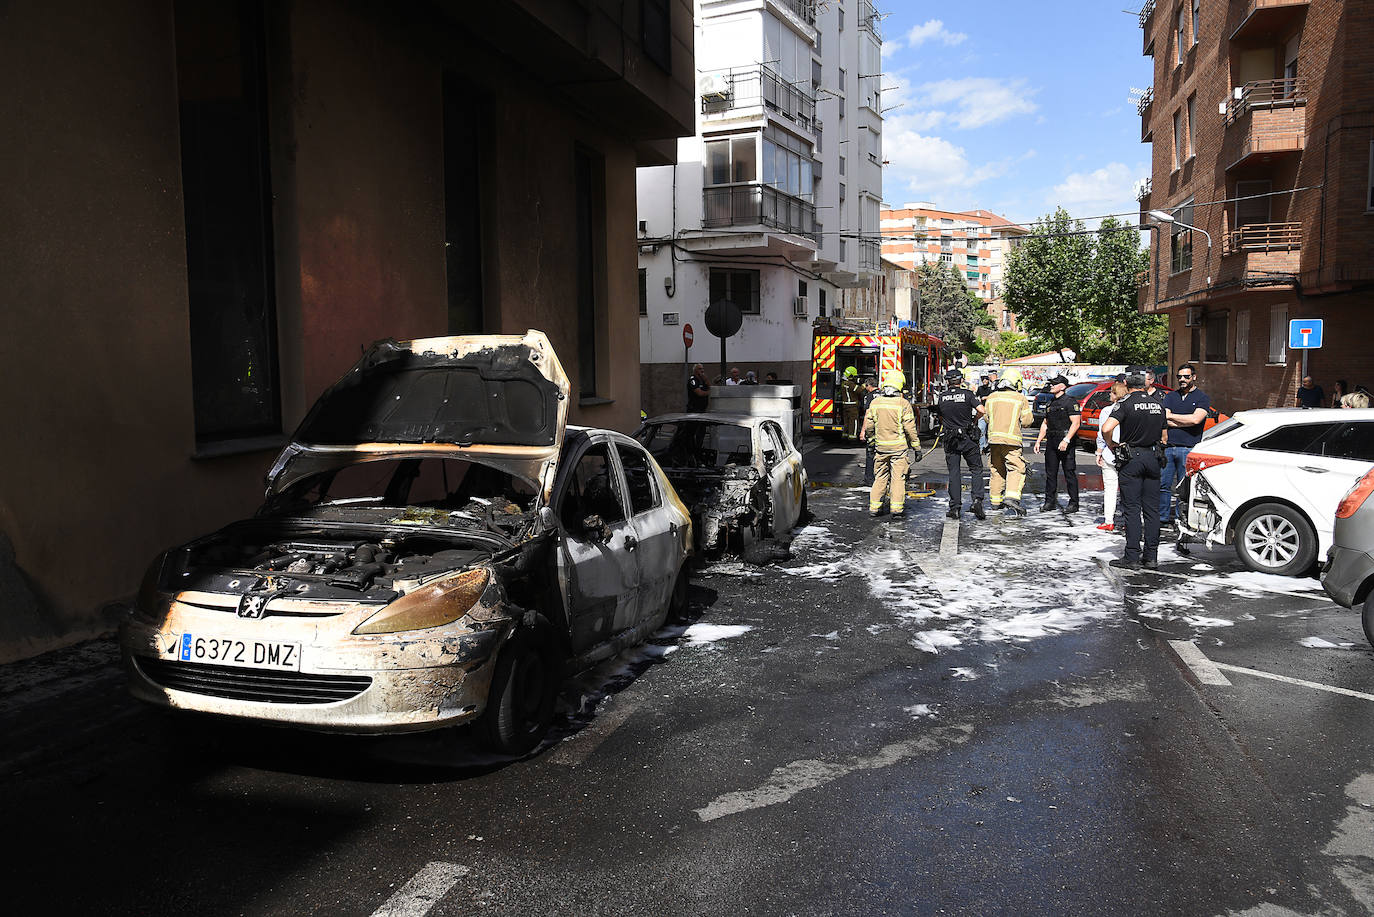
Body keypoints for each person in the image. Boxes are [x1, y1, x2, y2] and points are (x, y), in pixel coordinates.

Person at [1101, 371, 1167, 570]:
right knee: (1152, 510)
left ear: (1127, 385)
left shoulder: (1126, 403)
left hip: (1133, 458)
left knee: (1132, 509)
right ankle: (1151, 556)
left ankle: (1131, 556)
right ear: (1145, 385)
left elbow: (1106, 428)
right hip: (1154, 457)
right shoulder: (1158, 404)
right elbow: (1164, 437)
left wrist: (1111, 444)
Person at [861, 370, 920, 517]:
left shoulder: (875, 403)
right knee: (898, 478)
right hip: (898, 449)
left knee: (880, 477)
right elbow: (910, 428)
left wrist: (871, 441)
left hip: (880, 448)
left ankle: (874, 507)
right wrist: (917, 447)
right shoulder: (903, 403)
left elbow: (869, 426)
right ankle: (896, 508)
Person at [1161, 363, 1211, 528]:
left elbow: (1196, 420)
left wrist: (1173, 418)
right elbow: (1164, 419)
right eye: (1179, 377)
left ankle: (1180, 519)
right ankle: (1162, 518)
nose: (1182, 380)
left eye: (1186, 376)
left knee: (1184, 489)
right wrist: (1186, 420)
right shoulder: (1170, 396)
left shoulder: (1202, 398)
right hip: (1168, 447)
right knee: (1163, 485)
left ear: (1194, 377)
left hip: (1189, 449)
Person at [934, 369, 987, 520]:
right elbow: (981, 410)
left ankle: (955, 507)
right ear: (961, 380)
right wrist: (974, 421)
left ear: (947, 381)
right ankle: (977, 500)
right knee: (976, 469)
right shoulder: (968, 394)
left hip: (951, 437)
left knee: (954, 472)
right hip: (968, 436)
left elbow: (941, 416)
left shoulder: (942, 397)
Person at [984, 367, 1034, 516]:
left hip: (993, 441)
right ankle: (1012, 497)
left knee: (996, 470)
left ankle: (995, 502)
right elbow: (1027, 421)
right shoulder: (1020, 398)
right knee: (1016, 468)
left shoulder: (991, 397)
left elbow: (986, 418)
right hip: (1012, 441)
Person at [1034, 374, 1081, 513]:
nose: (1052, 386)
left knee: (1069, 473)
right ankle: (1050, 502)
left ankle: (1074, 503)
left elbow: (1076, 422)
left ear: (1063, 386)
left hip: (1065, 440)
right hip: (1052, 441)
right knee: (1050, 473)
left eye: (1055, 384)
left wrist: (1066, 439)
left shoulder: (1070, 402)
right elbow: (1045, 423)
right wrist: (1038, 441)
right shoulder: (1051, 402)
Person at [1095, 381, 1128, 532]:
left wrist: (1100, 451)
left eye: (1111, 392)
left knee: (1110, 488)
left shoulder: (1106, 411)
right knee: (1129, 489)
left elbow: (1102, 432)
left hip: (1110, 452)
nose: (1109, 394)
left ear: (1116, 395)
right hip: (1128, 453)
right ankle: (1129, 520)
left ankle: (1109, 520)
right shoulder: (1130, 409)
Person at [860, 375, 880, 486]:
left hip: (873, 430)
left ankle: (869, 479)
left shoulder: (869, 396)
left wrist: (863, 431)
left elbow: (868, 414)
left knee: (870, 454)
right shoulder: (883, 394)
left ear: (869, 386)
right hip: (884, 430)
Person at [975, 370, 997, 453]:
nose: (984, 381)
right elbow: (976, 397)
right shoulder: (980, 388)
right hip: (982, 411)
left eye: (986, 379)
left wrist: (986, 397)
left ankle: (990, 447)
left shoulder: (992, 388)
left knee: (991, 431)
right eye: (983, 379)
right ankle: (982, 447)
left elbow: (994, 396)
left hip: (991, 412)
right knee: (981, 430)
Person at [839, 366, 862, 439]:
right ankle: (853, 437)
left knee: (847, 421)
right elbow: (859, 390)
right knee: (853, 421)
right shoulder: (850, 384)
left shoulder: (844, 383)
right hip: (852, 406)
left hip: (845, 406)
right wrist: (864, 385)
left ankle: (845, 435)